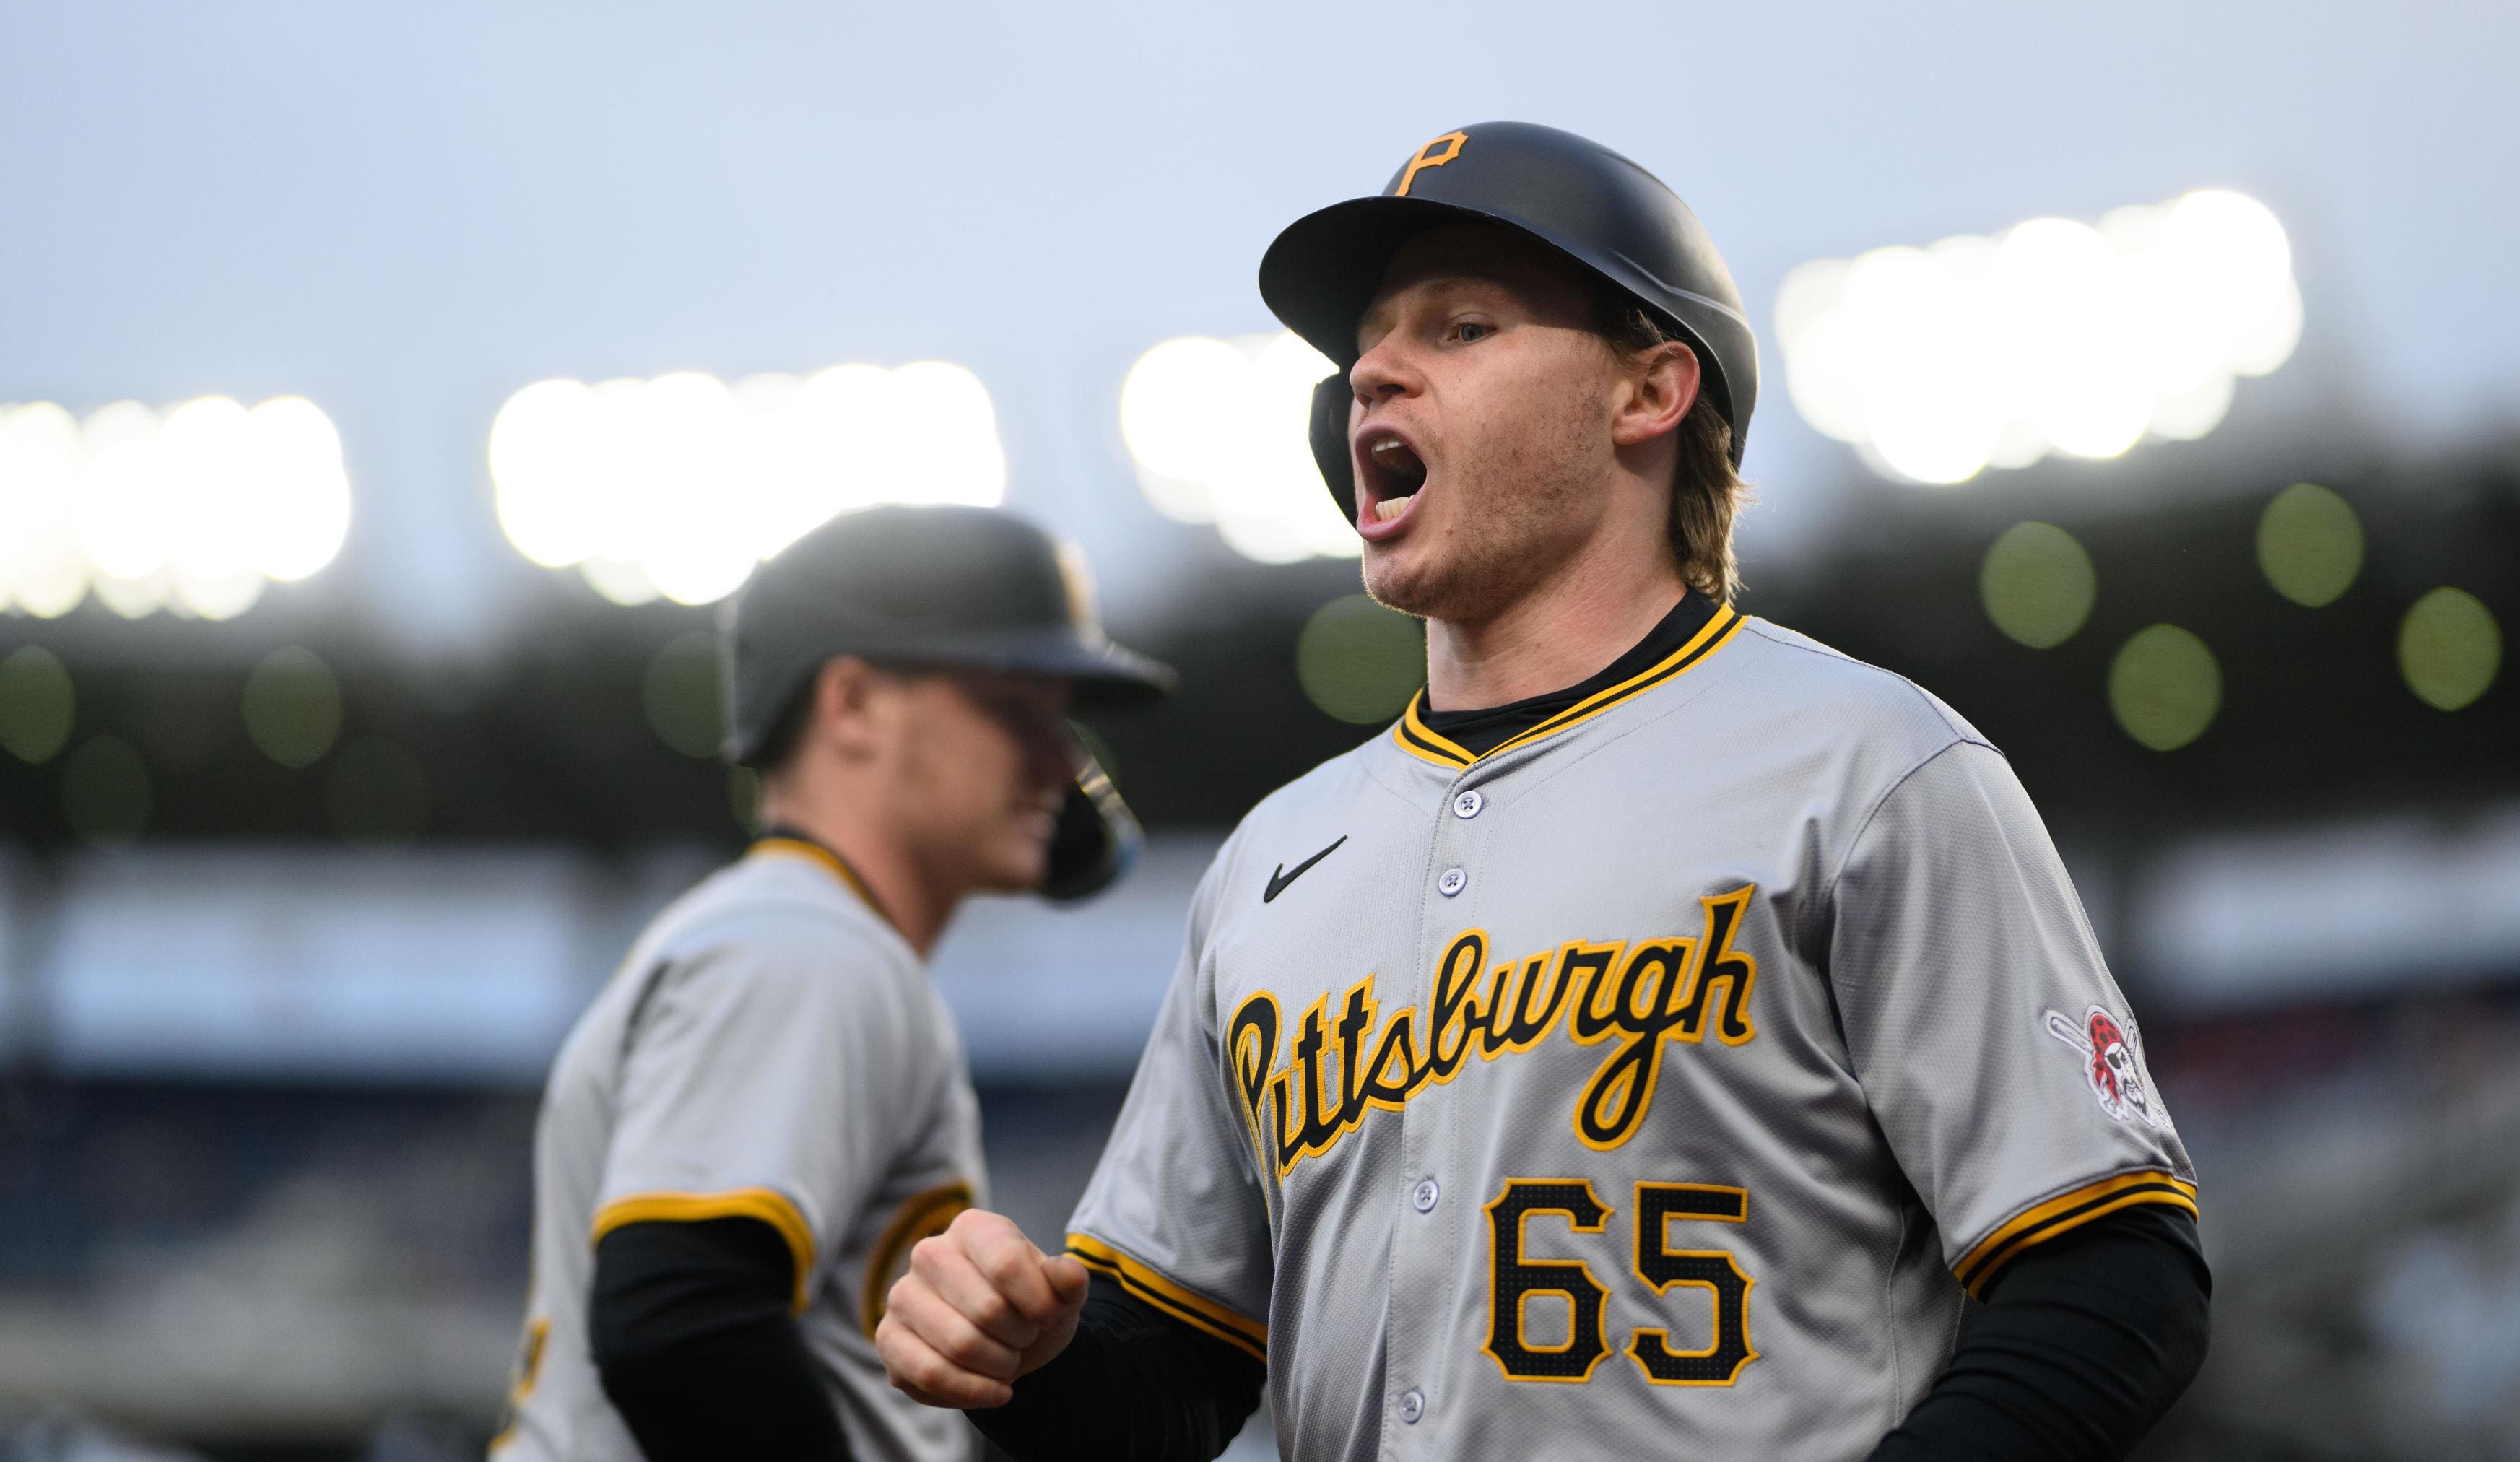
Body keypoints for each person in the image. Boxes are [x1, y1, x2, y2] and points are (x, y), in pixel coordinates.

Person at [876, 123, 2211, 1462]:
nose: (1372, 373)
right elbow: (1171, 1368)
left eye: (1461, 327)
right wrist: (1032, 1358)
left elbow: (2111, 1271)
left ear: (1650, 390)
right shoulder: (1274, 858)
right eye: (1365, 348)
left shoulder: (1868, 763)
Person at [491, 504, 1173, 1462]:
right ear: (850, 703)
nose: (1065, 760)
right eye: (1017, 706)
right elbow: (683, 1327)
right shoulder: (803, 942)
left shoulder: (793, 932)